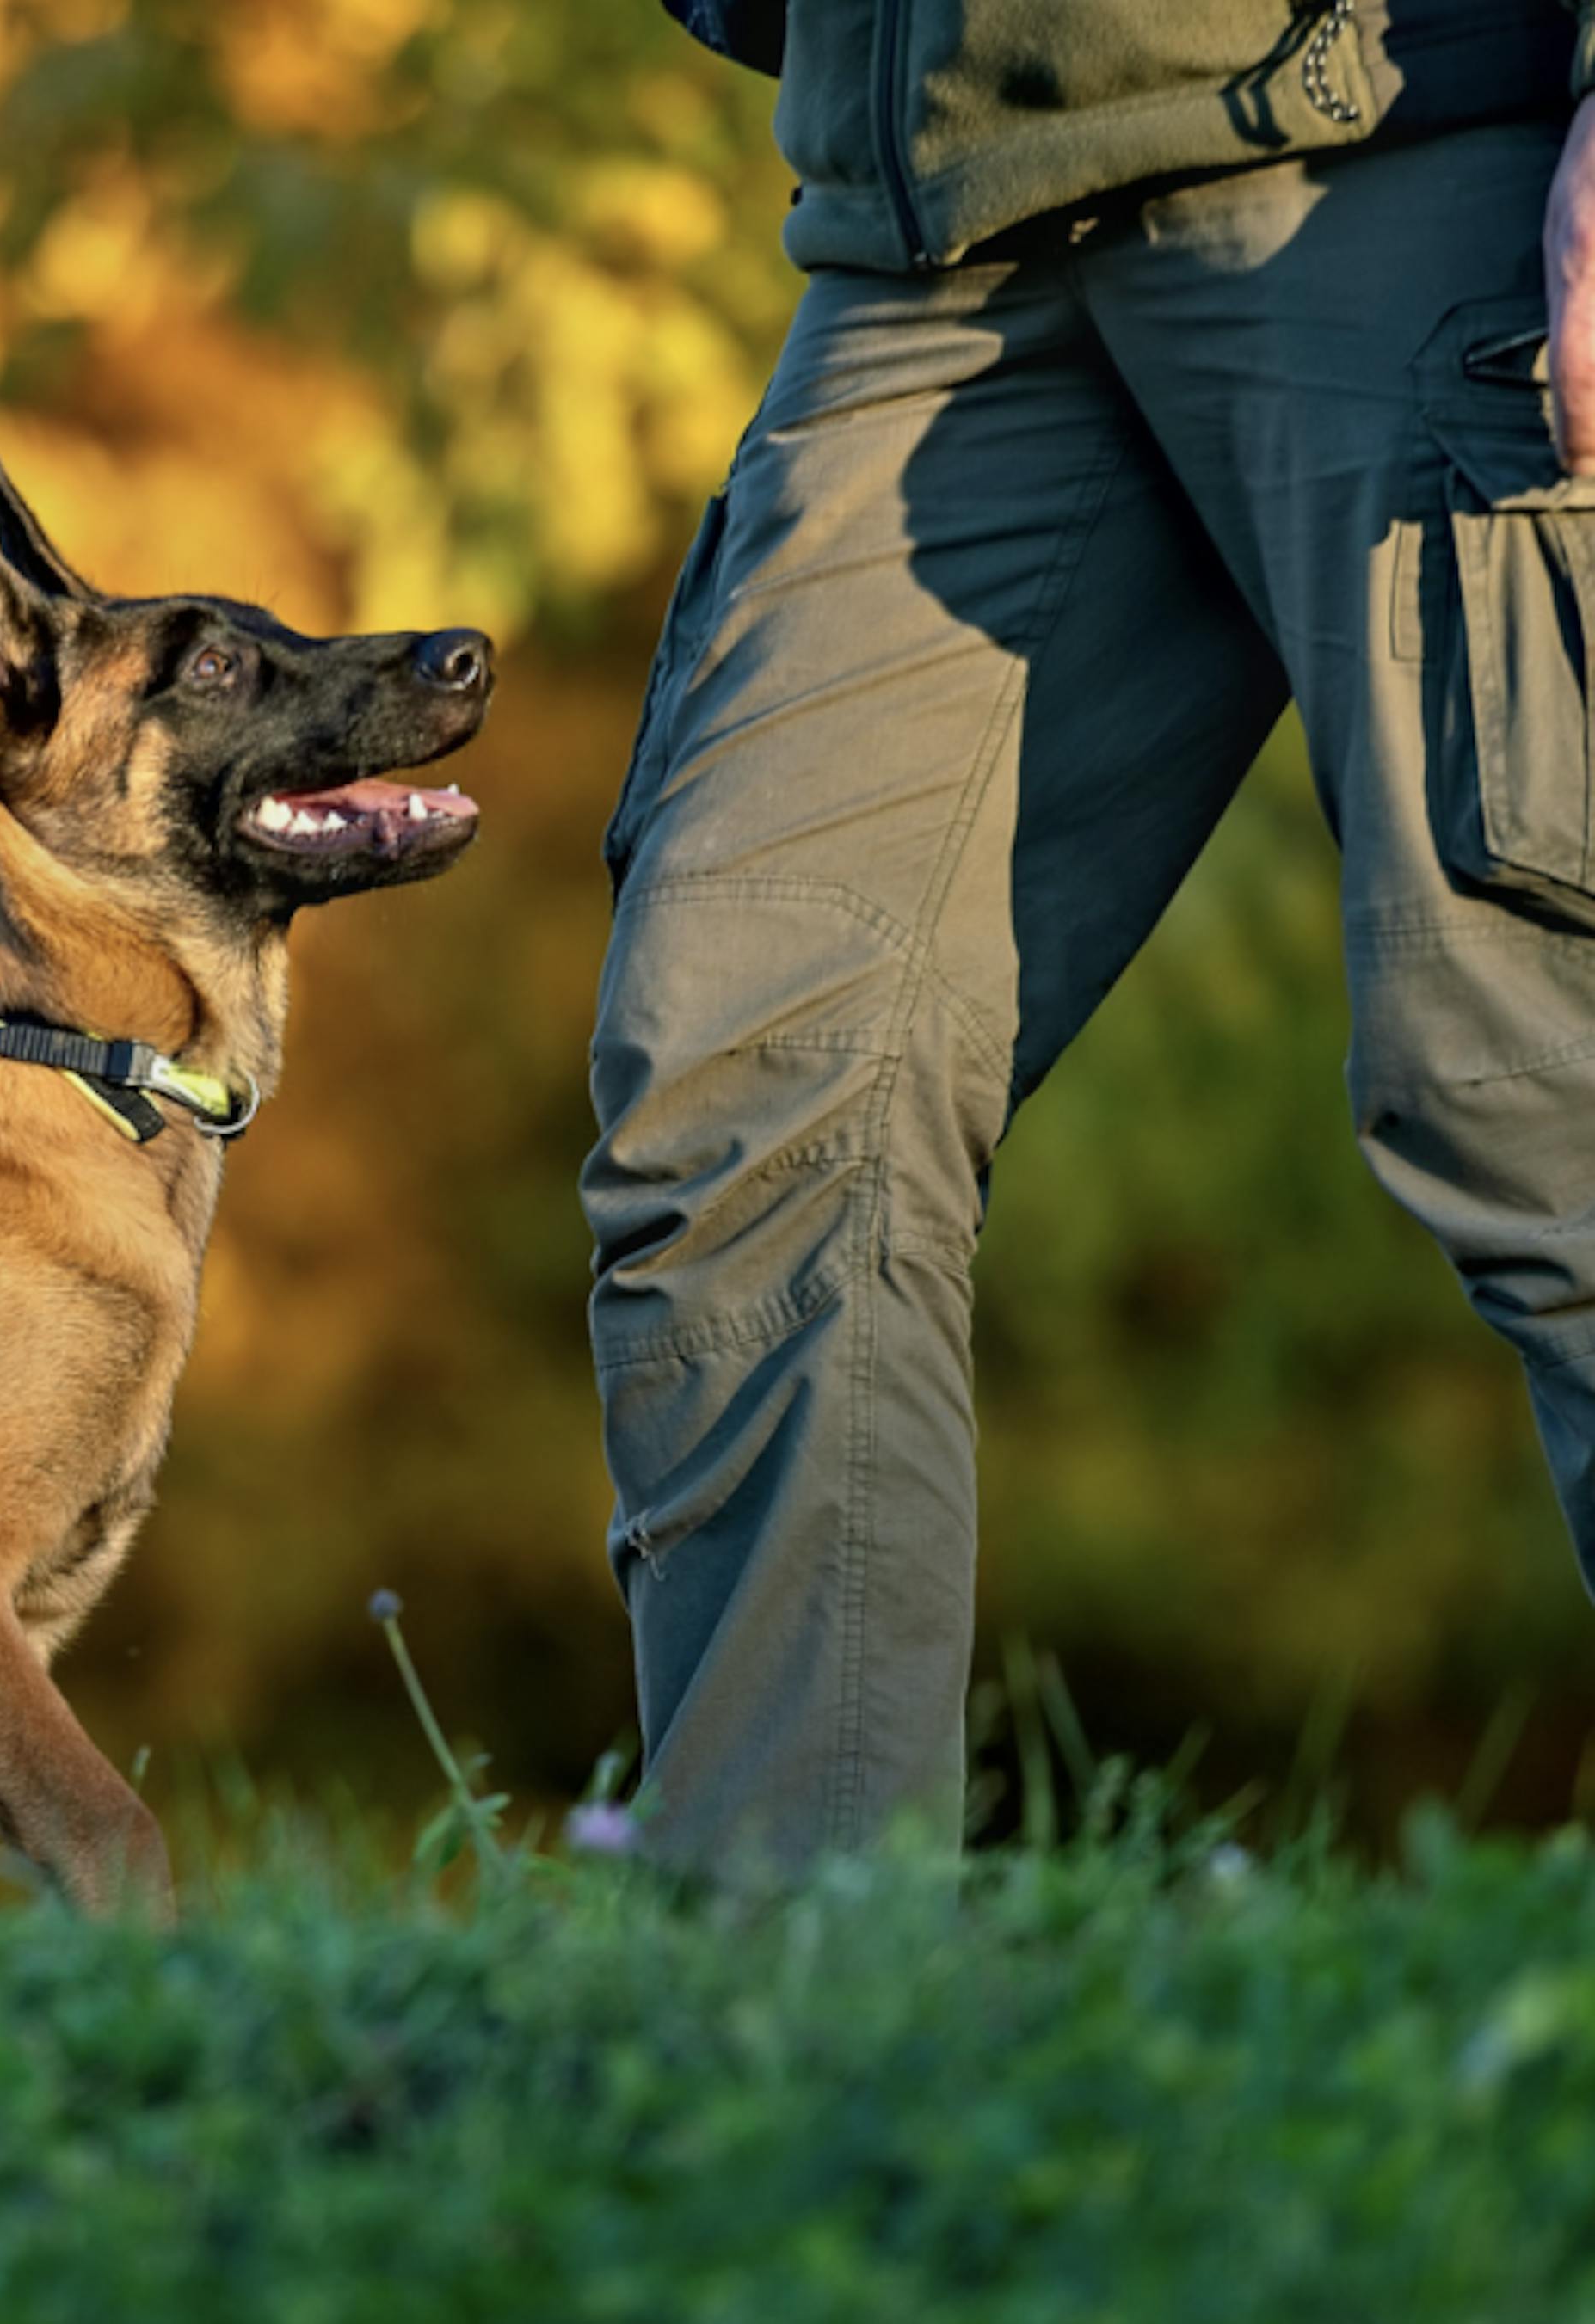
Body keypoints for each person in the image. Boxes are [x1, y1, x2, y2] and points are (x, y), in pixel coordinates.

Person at [593, 0, 1595, 1872]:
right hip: (936, 231)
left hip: (1395, 138)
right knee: (745, 1081)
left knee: (1544, 1077)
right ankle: (788, 2043)